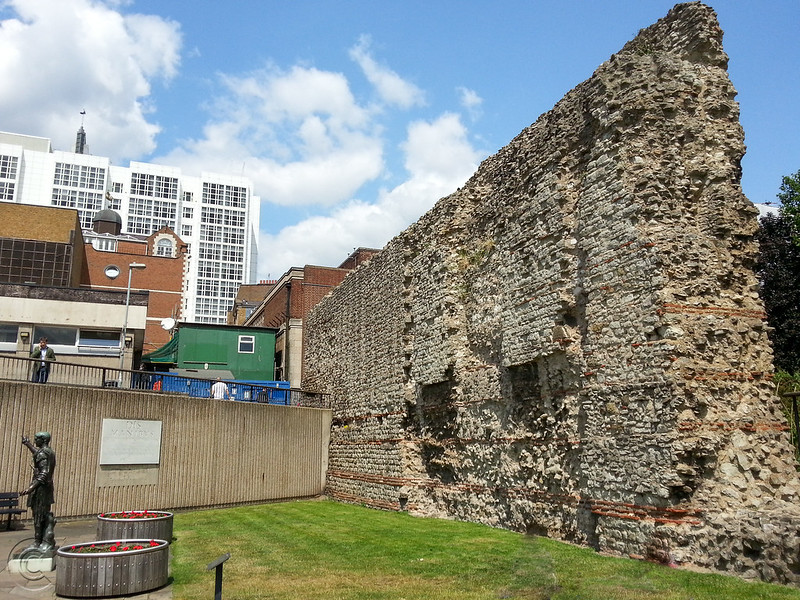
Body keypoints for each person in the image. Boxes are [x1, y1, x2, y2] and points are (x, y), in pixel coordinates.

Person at [20, 432, 57, 555]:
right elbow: (38, 454)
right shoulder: (48, 452)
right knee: (43, 514)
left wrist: (30, 488)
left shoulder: (43, 454)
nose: (35, 440)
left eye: (36, 439)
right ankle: (45, 539)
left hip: (40, 490)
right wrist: (28, 444)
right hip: (46, 489)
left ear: (43, 440)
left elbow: (44, 473)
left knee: (38, 516)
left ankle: (37, 542)